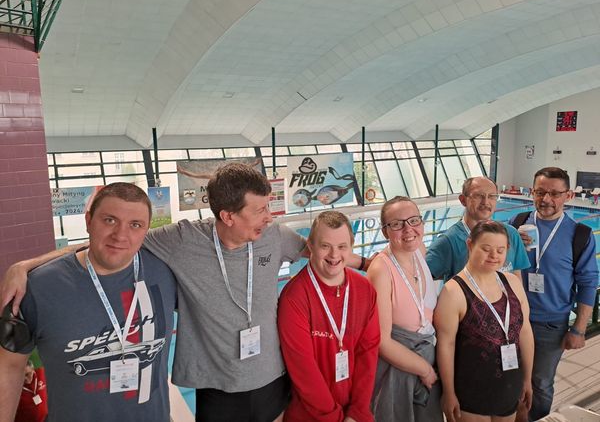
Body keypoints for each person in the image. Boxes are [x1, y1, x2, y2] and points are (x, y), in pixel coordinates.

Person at [1, 162, 372, 422]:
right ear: (228, 216)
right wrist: (29, 265)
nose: (270, 216)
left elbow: (325, 253)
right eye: (260, 210)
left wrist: (374, 264)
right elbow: (117, 241)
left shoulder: (275, 236)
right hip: (216, 387)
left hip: (271, 380)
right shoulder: (181, 241)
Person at [0, 183, 177, 422]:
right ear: (88, 221)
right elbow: (9, 366)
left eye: (135, 225)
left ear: (146, 230)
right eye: (110, 220)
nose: (120, 235)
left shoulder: (166, 271)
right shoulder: (36, 288)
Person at [511, 167, 599, 421]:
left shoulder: (579, 234)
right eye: (540, 192)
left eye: (554, 194)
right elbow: (495, 264)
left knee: (540, 382)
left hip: (550, 324)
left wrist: (579, 329)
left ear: (568, 195)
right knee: (509, 377)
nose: (546, 199)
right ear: (532, 192)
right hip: (512, 320)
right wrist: (510, 244)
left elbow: (588, 282)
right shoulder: (516, 222)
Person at [277, 211, 380, 422]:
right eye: (325, 246)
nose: (334, 255)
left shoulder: (364, 289)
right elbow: (303, 370)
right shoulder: (294, 297)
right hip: (310, 416)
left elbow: (368, 354)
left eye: (342, 246)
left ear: (351, 246)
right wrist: (335, 418)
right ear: (311, 246)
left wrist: (358, 411)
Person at [434, 220, 534, 422]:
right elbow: (446, 345)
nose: (494, 255)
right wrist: (449, 392)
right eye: (486, 249)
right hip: (471, 391)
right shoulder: (453, 291)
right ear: (470, 245)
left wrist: (527, 379)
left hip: (509, 385)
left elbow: (525, 332)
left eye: (500, 250)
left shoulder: (512, 283)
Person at [367, 196, 443, 422]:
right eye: (397, 224)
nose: (408, 229)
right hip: (398, 367)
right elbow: (381, 342)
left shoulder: (419, 251)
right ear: (385, 231)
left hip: (427, 356)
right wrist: (424, 369)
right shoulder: (381, 270)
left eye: (413, 220)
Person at [426, 176, 530, 281]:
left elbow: (517, 279)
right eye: (478, 196)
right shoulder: (449, 241)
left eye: (492, 196)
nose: (485, 202)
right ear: (463, 200)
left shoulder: (511, 234)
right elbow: (421, 278)